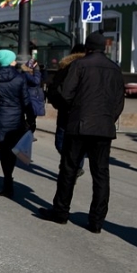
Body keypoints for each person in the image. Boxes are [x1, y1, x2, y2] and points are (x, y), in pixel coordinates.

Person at [38, 31, 125, 233]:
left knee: (69, 169)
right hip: (104, 127)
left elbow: (66, 94)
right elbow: (119, 102)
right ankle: (96, 222)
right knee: (101, 174)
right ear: (105, 48)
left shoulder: (79, 65)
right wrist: (108, 119)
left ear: (87, 47)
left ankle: (60, 213)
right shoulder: (115, 69)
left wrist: (72, 112)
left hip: (78, 125)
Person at [0, 49, 35, 198]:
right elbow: (26, 101)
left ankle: (7, 181)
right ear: (10, 60)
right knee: (12, 151)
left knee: (3, 152)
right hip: (16, 120)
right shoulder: (19, 78)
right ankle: (8, 180)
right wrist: (31, 120)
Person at [47, 44, 87, 176]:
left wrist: (59, 104)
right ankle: (75, 165)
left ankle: (70, 164)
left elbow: (54, 90)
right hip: (86, 113)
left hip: (66, 113)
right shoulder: (93, 69)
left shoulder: (65, 68)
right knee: (79, 143)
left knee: (61, 142)